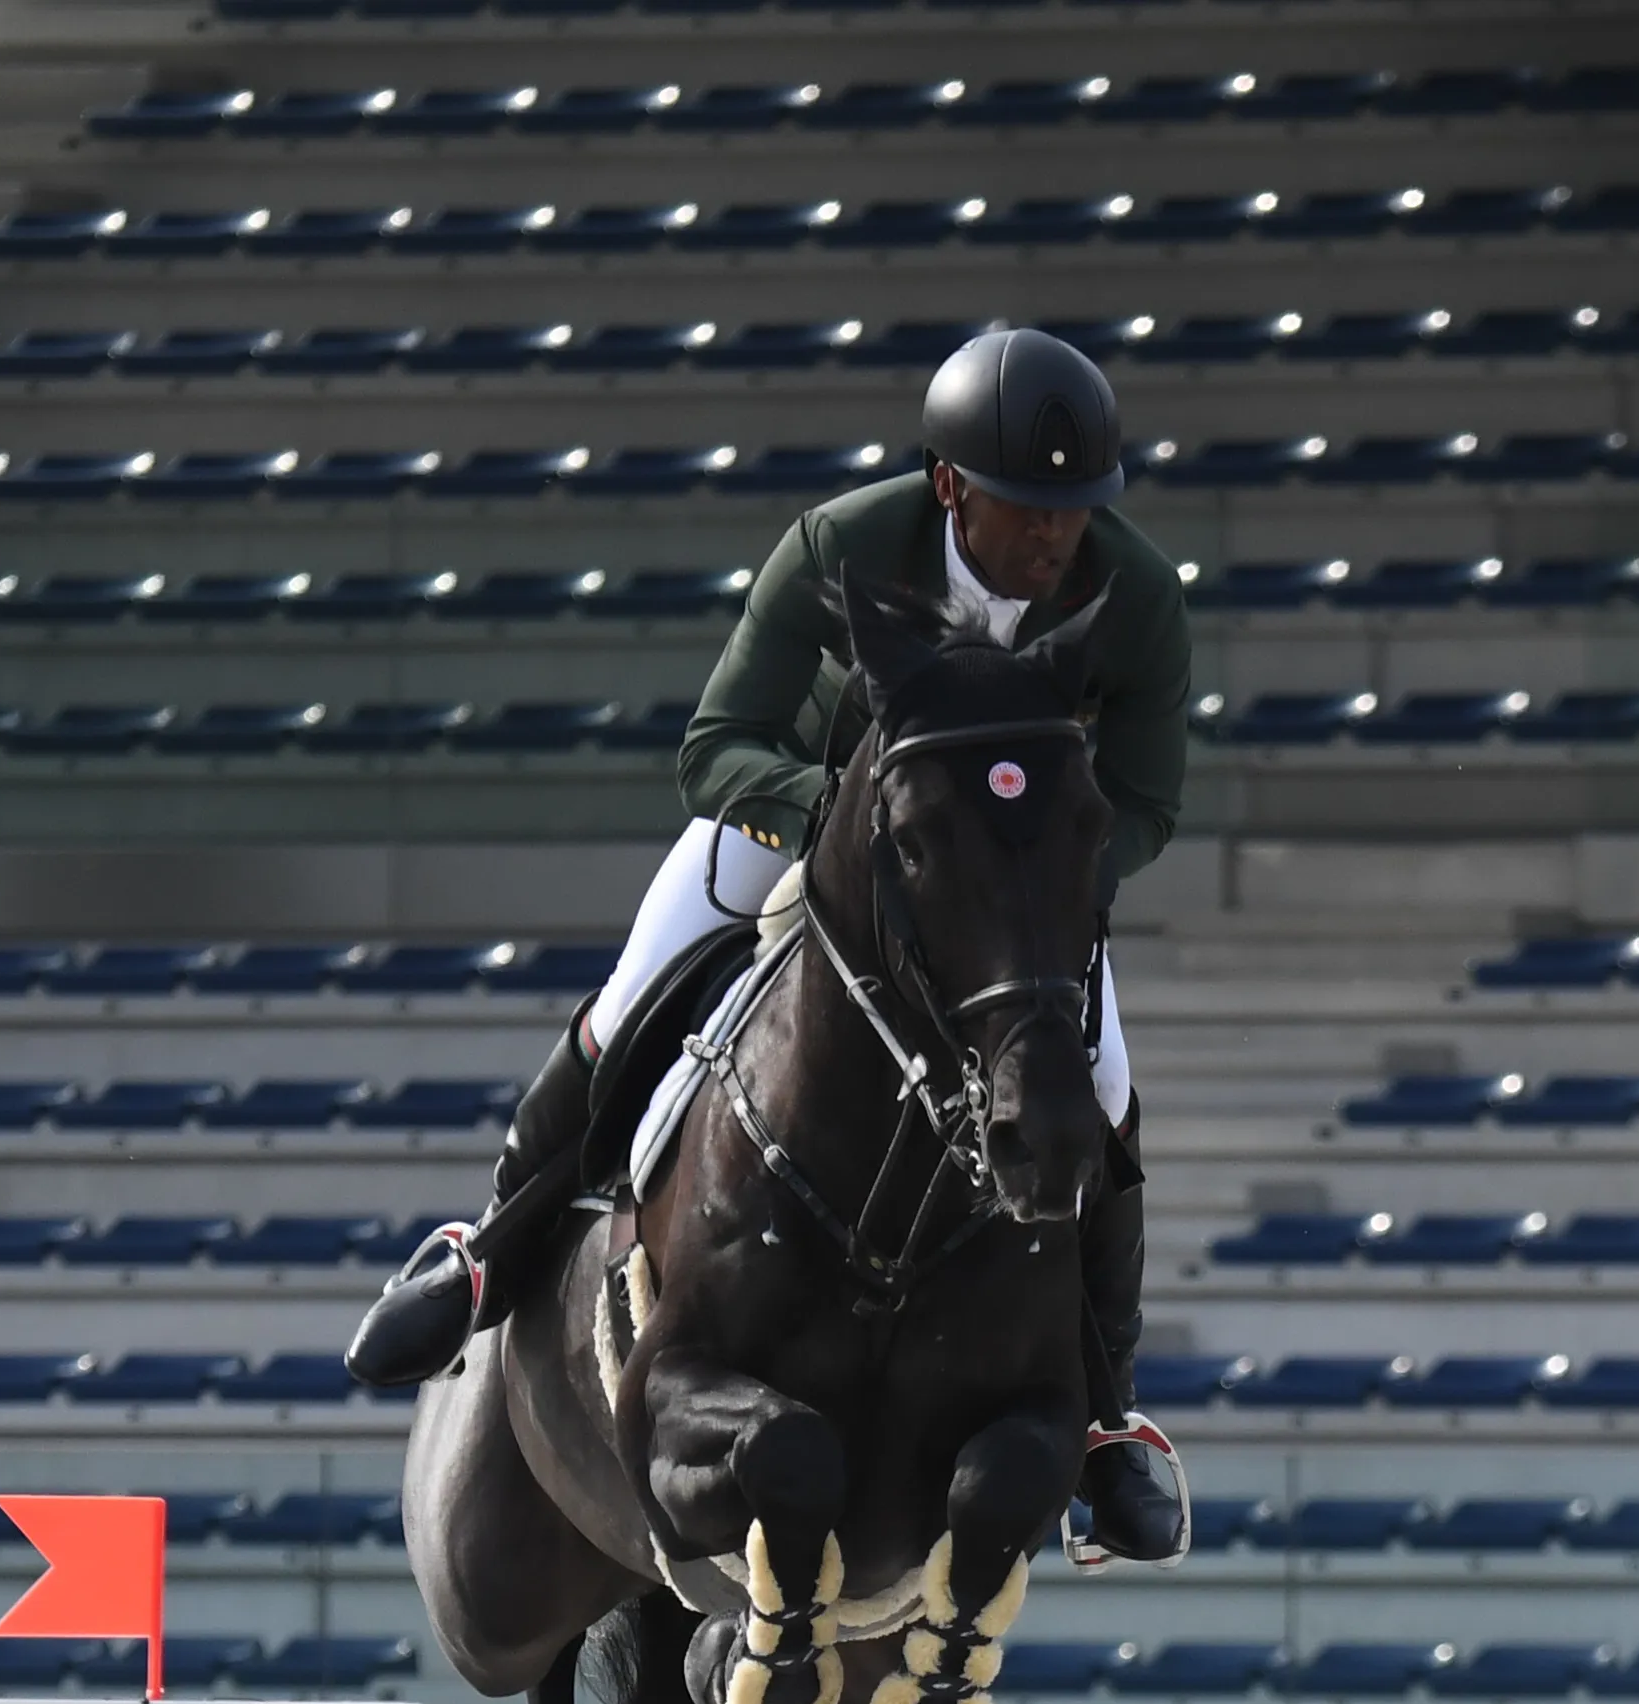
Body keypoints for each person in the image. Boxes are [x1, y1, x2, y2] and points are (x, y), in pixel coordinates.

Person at [339, 322, 1196, 1562]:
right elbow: (714, 745)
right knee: (634, 992)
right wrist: (833, 829)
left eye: (1075, 507)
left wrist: (1021, 889)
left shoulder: (1135, 597)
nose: (1056, 535)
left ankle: (1107, 1420)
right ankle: (490, 1249)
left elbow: (1150, 803)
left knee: (1104, 1094)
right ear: (951, 486)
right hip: (800, 821)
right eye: (1027, 506)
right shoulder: (841, 546)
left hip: (1004, 895)